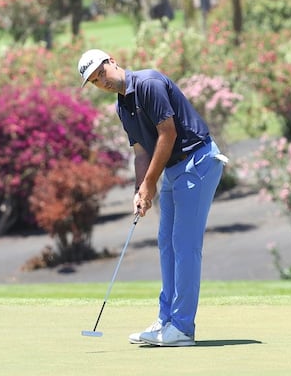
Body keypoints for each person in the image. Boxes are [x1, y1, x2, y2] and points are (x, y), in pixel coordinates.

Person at [77, 48, 226, 347]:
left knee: (184, 245)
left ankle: (182, 328)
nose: (101, 82)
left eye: (101, 73)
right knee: (166, 244)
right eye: (94, 81)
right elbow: (141, 152)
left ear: (112, 62)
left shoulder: (148, 83)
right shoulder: (122, 106)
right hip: (171, 170)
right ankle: (166, 320)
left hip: (196, 163)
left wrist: (149, 183)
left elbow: (167, 134)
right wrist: (139, 190)